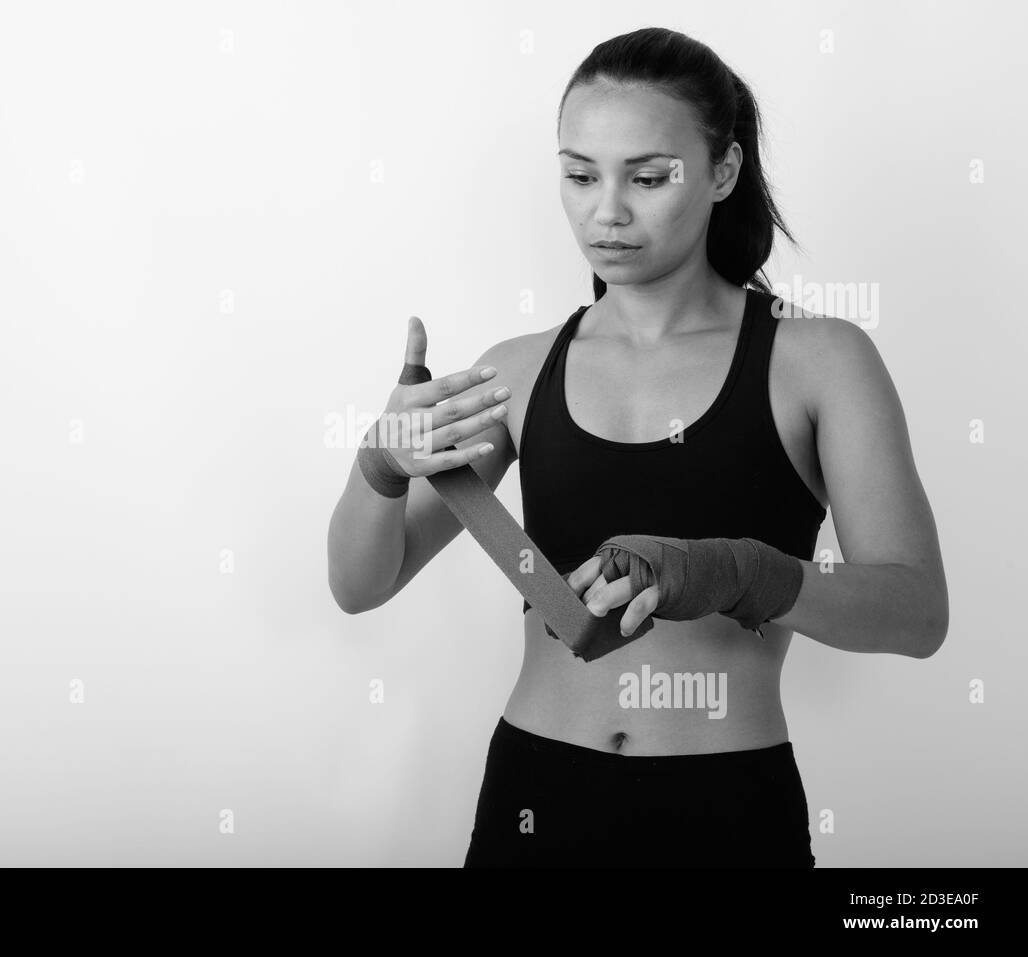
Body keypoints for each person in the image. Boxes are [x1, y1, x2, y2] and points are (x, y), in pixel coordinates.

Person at [326, 26, 948, 867]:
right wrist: (381, 462)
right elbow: (362, 583)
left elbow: (917, 614)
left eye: (648, 178)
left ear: (722, 171)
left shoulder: (819, 360)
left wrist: (736, 572)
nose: (605, 211)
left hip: (729, 813)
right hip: (533, 799)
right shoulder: (518, 370)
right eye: (579, 175)